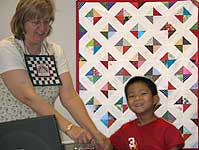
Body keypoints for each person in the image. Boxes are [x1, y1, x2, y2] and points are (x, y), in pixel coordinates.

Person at [0, 0, 112, 149]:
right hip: (11, 134)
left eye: (47, 22)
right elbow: (28, 97)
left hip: (43, 133)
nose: (42, 28)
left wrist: (95, 134)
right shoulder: (8, 48)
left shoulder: (54, 51)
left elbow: (69, 97)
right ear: (21, 22)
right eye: (36, 22)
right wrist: (70, 128)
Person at [110, 76, 184, 150]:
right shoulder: (125, 130)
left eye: (143, 93)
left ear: (155, 99)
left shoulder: (168, 131)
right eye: (132, 96)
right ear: (128, 103)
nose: (137, 98)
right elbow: (107, 147)